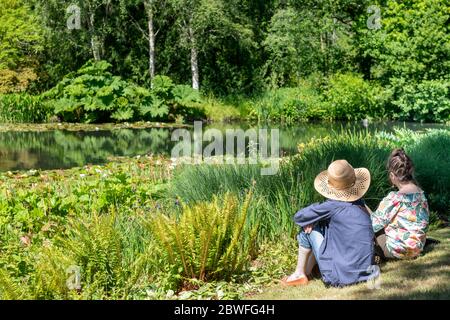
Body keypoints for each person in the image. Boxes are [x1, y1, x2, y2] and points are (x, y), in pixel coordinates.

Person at [283, 160, 375, 287]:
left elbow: (299, 217)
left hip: (340, 277)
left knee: (306, 230)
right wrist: (317, 218)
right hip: (365, 272)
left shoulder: (332, 206)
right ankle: (309, 272)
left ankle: (299, 273)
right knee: (319, 225)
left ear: (331, 186)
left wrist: (313, 219)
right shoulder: (360, 204)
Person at [371, 148, 429, 260]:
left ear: (392, 175)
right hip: (416, 249)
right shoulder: (421, 195)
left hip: (397, 251)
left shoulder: (395, 198)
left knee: (368, 217)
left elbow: (373, 225)